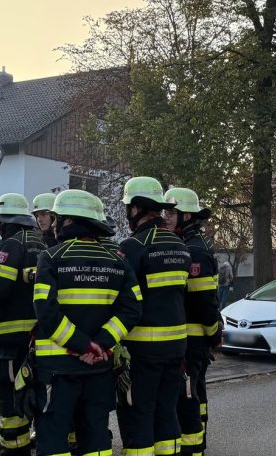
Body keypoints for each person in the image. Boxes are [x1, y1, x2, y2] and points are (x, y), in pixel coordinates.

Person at [32, 189, 142, 456]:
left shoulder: (51, 257)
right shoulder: (117, 261)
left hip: (57, 368)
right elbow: (133, 309)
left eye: (57, 219)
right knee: (96, 436)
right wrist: (99, 345)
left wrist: (82, 345)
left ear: (69, 221)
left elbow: (45, 311)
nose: (54, 225)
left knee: (54, 437)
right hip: (99, 367)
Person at [118, 176, 191, 456]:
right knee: (166, 409)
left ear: (136, 208)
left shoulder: (133, 246)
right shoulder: (180, 246)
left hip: (143, 348)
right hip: (176, 346)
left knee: (139, 410)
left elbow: (122, 298)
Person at [0, 193, 46, 455]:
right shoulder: (41, 243)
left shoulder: (12, 244)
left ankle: (14, 447)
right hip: (36, 335)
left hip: (9, 337)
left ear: (3, 222)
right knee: (32, 391)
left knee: (9, 393)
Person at [164, 187, 222, 456]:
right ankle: (199, 440)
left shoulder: (193, 249)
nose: (165, 217)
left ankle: (192, 447)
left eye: (171, 212)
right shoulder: (192, 243)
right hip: (194, 339)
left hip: (191, 339)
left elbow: (204, 300)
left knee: (187, 395)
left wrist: (213, 332)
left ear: (187, 216)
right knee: (195, 391)